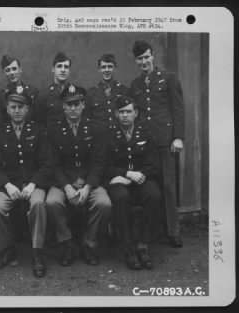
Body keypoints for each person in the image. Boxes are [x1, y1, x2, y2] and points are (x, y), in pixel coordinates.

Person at [0, 85, 53, 278]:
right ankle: (6, 249)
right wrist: (7, 185)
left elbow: (47, 164)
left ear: (27, 109)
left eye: (21, 107)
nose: (17, 111)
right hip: (9, 185)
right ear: (7, 109)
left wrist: (34, 183)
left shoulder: (39, 131)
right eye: (13, 107)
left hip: (33, 184)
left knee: (39, 204)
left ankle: (37, 252)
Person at [46, 85, 112, 267]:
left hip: (89, 182)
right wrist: (66, 186)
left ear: (83, 105)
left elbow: (99, 162)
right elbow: (54, 164)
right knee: (52, 203)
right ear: (63, 107)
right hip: (63, 183)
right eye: (69, 104)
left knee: (104, 204)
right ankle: (67, 243)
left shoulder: (95, 128)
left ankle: (89, 244)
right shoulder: (54, 130)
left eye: (77, 104)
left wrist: (88, 187)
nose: (73, 108)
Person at [130, 40, 185, 248]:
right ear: (136, 61)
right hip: (146, 146)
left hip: (166, 141)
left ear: (153, 56)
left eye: (146, 56)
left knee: (169, 187)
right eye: (140, 58)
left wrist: (178, 137)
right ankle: (153, 230)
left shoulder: (168, 78)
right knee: (151, 188)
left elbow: (178, 108)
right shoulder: (135, 85)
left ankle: (173, 232)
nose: (144, 61)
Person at [104, 96, 161, 270]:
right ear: (116, 114)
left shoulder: (146, 133)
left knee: (154, 195)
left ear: (136, 113)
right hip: (119, 180)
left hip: (142, 178)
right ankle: (128, 247)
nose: (125, 115)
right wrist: (127, 174)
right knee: (120, 197)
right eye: (121, 112)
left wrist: (137, 175)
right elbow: (105, 165)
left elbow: (154, 164)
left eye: (128, 111)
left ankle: (143, 245)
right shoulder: (109, 134)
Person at [34, 52, 81, 128]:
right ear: (53, 69)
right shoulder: (43, 96)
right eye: (59, 66)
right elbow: (39, 125)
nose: (63, 70)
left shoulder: (77, 94)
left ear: (70, 71)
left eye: (66, 67)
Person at [86, 53, 129, 130]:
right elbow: (88, 119)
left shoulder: (124, 91)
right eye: (103, 67)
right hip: (99, 138)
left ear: (115, 68)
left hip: (120, 137)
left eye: (110, 67)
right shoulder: (91, 93)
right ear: (99, 69)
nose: (106, 70)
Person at [0, 55, 38, 122]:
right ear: (4, 73)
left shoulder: (33, 92)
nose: (12, 73)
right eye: (8, 70)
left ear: (20, 69)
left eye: (14, 69)